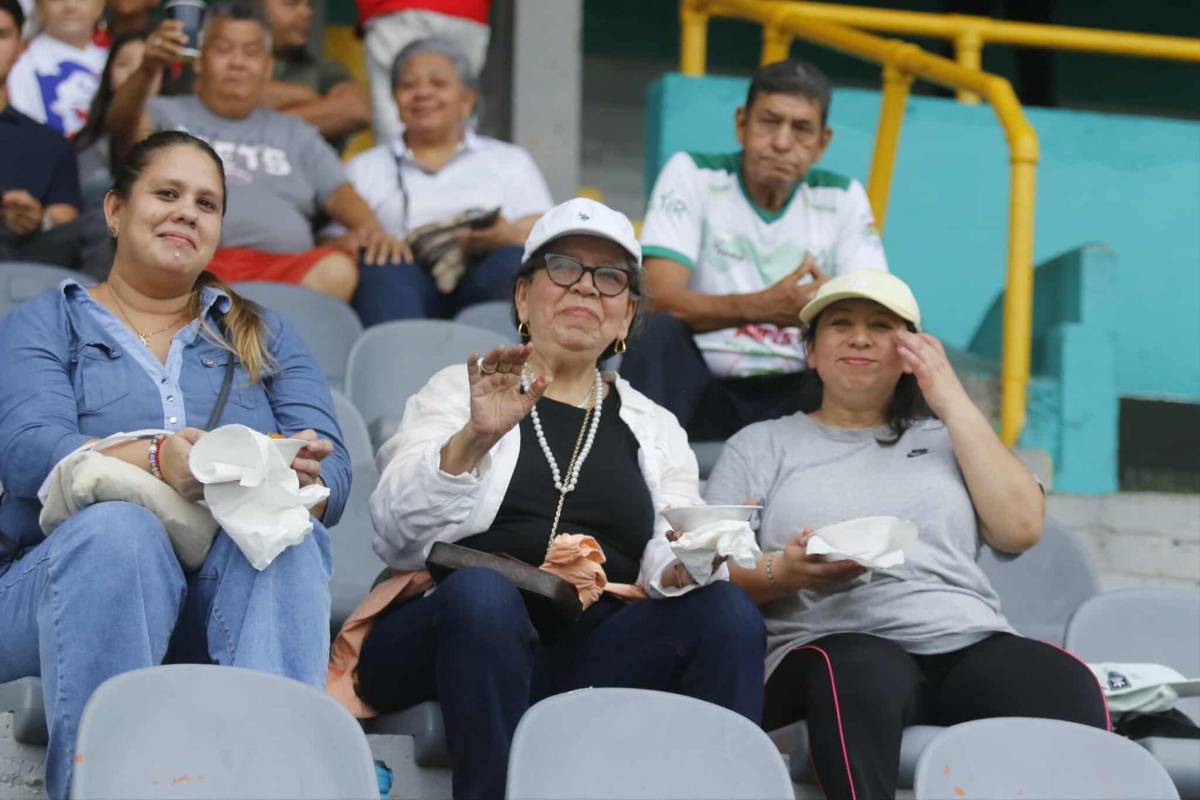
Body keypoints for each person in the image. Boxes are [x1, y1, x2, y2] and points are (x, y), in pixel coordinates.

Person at [343, 198, 765, 800]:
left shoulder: (655, 426)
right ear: (522, 297)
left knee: (726, 615)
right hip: (448, 629)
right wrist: (475, 436)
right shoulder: (459, 390)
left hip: (585, 647)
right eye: (565, 268)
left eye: (610, 278)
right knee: (486, 597)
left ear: (627, 318)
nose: (587, 290)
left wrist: (700, 554)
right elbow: (395, 536)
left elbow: (664, 568)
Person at [0, 130, 350, 800]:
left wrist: (295, 468)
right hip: (53, 587)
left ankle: (272, 787)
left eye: (206, 203)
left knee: (292, 542)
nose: (188, 212)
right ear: (114, 211)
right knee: (119, 533)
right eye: (167, 194)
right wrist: (159, 458)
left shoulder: (263, 333)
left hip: (222, 592)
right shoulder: (48, 321)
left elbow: (334, 475)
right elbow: (26, 449)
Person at [705, 271, 1110, 800]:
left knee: (1062, 682)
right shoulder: (761, 445)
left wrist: (949, 396)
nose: (859, 337)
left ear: (911, 350)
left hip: (963, 638)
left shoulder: (949, 436)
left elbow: (1021, 528)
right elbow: (704, 566)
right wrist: (786, 571)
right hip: (830, 644)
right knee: (859, 670)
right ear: (810, 351)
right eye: (840, 324)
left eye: (881, 326)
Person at [622, 58, 888, 441]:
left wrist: (830, 304)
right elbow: (657, 298)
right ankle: (638, 478)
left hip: (801, 391)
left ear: (822, 143)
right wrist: (762, 307)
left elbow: (873, 309)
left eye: (800, 129)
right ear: (742, 124)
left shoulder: (842, 196)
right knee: (656, 332)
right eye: (769, 122)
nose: (781, 142)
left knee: (900, 348)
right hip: (700, 387)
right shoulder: (694, 174)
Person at [107, 0, 409, 302]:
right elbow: (120, 132)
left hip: (284, 274)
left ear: (267, 68)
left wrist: (371, 230)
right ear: (200, 60)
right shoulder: (163, 114)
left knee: (337, 269)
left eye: (251, 53)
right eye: (224, 50)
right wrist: (147, 69)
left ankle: (261, 340)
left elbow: (339, 192)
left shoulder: (296, 132)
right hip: (190, 259)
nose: (237, 63)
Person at [331, 36, 552, 325]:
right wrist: (369, 240)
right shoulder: (365, 166)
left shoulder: (509, 160)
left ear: (466, 99)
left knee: (513, 262)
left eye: (438, 84)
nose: (423, 93)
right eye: (409, 86)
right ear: (395, 101)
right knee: (382, 267)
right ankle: (399, 364)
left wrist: (503, 236)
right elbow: (332, 239)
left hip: (485, 273)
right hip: (402, 281)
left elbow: (545, 236)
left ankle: (503, 366)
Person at [0, 0, 84, 264]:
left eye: (1, 35)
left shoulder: (51, 144)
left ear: (21, 48)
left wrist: (39, 218)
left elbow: (69, 216)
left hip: (22, 271)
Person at [357, 0, 489, 143]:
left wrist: (367, 14)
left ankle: (399, 164)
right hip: (468, 11)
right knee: (459, 103)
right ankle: (463, 162)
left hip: (399, 9)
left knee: (393, 118)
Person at [260, 0, 370, 151]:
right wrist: (311, 99)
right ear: (257, 8)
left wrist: (253, 125)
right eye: (292, 4)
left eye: (308, 5)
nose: (307, 13)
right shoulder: (229, 64)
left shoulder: (325, 70)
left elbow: (357, 110)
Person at [6, 0, 107, 137]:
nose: (71, 5)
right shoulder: (18, 64)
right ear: (39, 6)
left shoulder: (118, 58)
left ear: (101, 5)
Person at [75, 28, 153, 202]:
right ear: (108, 75)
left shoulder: (184, 131)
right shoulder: (86, 145)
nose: (135, 74)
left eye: (146, 67)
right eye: (124, 64)